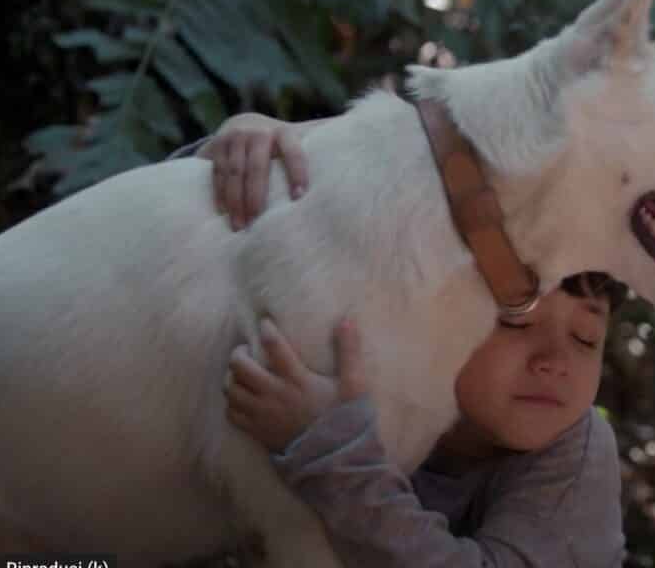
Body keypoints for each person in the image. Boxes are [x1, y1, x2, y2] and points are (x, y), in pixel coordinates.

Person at [171, 114, 629, 566]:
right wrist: (240, 155)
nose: (554, 361)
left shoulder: (576, 450)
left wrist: (327, 449)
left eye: (587, 338)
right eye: (516, 321)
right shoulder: (349, 355)